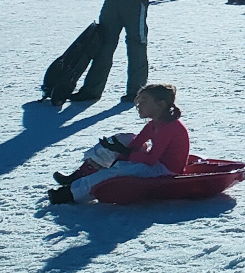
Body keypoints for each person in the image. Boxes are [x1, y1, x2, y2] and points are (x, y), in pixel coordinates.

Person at [48, 81, 190, 205]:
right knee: (125, 139)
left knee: (119, 172)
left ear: (161, 104)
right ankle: (82, 174)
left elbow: (152, 160)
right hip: (154, 163)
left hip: (165, 170)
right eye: (139, 101)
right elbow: (136, 143)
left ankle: (70, 193)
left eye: (144, 101)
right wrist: (119, 152)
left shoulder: (169, 128)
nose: (138, 105)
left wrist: (126, 154)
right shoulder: (153, 124)